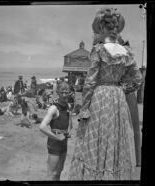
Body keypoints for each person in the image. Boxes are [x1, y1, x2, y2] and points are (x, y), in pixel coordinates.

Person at [68, 7, 143, 180]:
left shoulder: (99, 50)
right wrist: (122, 88)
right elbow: (138, 79)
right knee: (114, 138)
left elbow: (90, 81)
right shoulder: (127, 51)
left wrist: (84, 108)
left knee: (96, 136)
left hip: (100, 96)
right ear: (116, 29)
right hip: (117, 98)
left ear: (102, 29)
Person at [39, 81, 73, 180]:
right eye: (62, 92)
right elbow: (42, 127)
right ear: (58, 93)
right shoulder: (53, 108)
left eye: (66, 92)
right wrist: (57, 137)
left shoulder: (68, 107)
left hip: (64, 142)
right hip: (54, 142)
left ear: (70, 93)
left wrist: (69, 131)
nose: (64, 95)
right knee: (51, 173)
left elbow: (69, 123)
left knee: (59, 172)